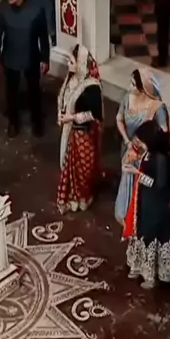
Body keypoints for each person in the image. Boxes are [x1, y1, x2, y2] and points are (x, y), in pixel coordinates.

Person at [121, 120, 170, 289]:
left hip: (156, 206)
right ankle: (138, 267)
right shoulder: (151, 152)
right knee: (142, 234)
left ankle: (150, 277)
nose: (138, 143)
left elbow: (158, 185)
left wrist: (137, 173)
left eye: (141, 140)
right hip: (146, 200)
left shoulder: (161, 158)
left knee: (150, 237)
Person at [0, 0, 50, 138]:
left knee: (34, 91)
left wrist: (45, 59)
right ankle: (13, 122)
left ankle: (37, 122)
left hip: (31, 57)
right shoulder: (2, 9)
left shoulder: (36, 11)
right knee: (11, 93)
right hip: (10, 57)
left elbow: (43, 37)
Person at [114, 69, 170, 225]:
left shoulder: (157, 107)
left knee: (143, 185)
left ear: (144, 88)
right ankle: (126, 214)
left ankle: (137, 218)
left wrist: (143, 149)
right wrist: (127, 142)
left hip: (145, 155)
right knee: (127, 179)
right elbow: (119, 119)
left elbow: (163, 134)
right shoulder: (127, 98)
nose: (129, 87)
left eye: (133, 84)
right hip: (128, 148)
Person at [56, 44, 103, 214]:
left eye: (71, 61)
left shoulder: (91, 87)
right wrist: (62, 114)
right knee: (69, 167)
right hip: (69, 131)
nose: (68, 64)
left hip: (83, 134)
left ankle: (83, 198)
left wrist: (72, 118)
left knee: (83, 171)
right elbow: (63, 98)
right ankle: (73, 198)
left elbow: (95, 114)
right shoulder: (71, 78)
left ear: (80, 64)